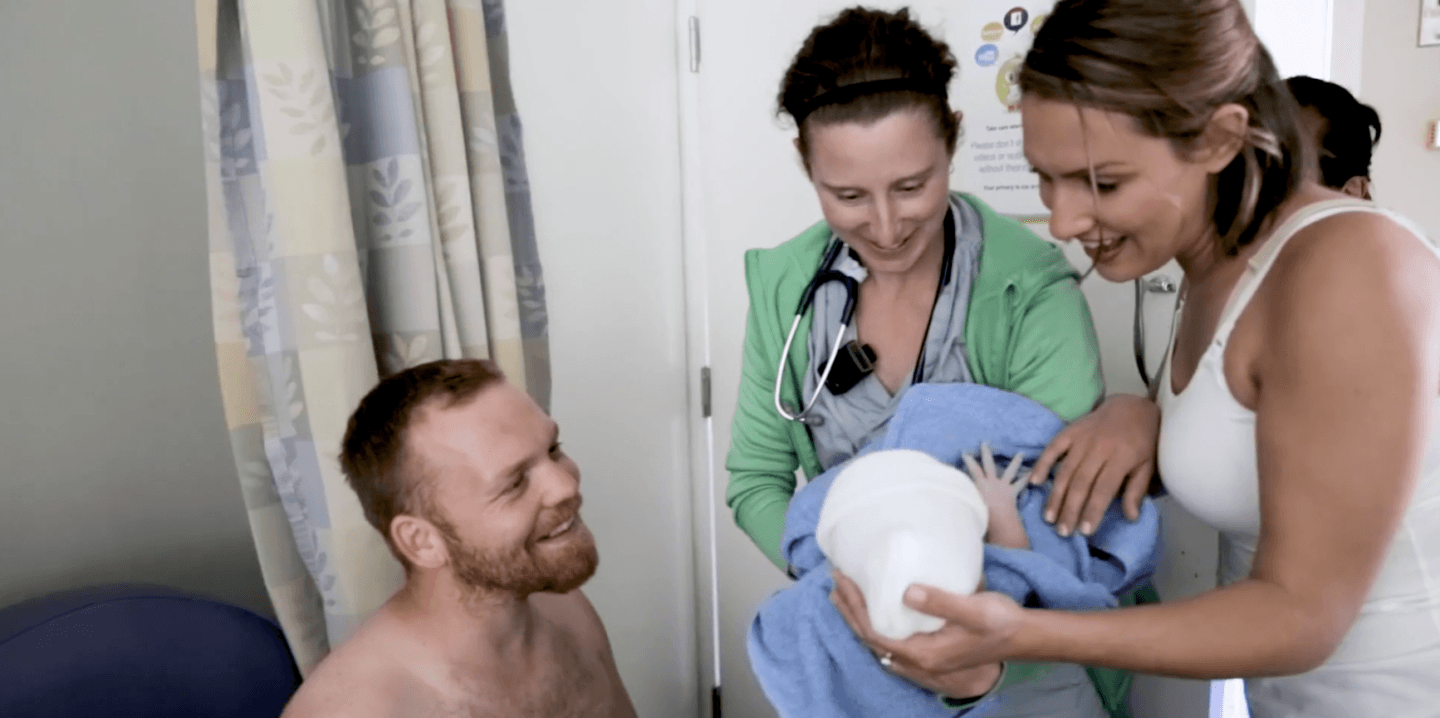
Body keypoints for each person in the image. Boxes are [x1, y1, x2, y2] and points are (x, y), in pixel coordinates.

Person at [831, 1, 1440, 716]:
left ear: (1219, 138)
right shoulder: (1215, 269)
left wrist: (1026, 633)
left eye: (1102, 183)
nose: (1062, 221)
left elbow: (1301, 615)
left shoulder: (1349, 268)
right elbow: (1273, 419)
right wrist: (1147, 414)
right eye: (1045, 177)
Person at [725, 6, 1145, 715]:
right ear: (807, 166)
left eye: (912, 187)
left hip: (1024, 654)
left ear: (951, 141)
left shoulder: (1028, 292)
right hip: (858, 635)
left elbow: (1056, 514)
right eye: (848, 196)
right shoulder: (784, 290)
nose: (884, 229)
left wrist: (946, 614)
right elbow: (755, 479)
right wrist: (855, 581)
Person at [280, 359, 637, 718]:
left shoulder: (566, 610)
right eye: (514, 483)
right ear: (422, 541)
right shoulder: (358, 709)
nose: (566, 486)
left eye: (553, 448)